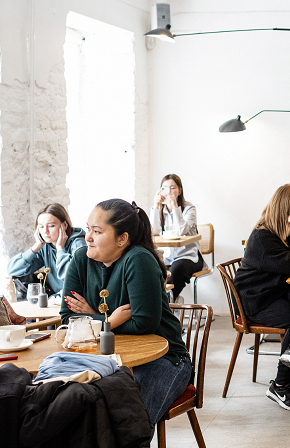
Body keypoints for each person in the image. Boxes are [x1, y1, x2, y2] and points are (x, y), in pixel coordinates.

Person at [60, 199, 192, 437]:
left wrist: (93, 318)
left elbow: (144, 323)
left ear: (122, 239)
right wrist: (110, 319)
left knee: (129, 423)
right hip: (105, 358)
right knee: (72, 409)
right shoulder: (81, 259)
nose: (87, 237)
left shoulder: (138, 259)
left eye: (97, 231)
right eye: (87, 228)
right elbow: (69, 319)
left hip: (161, 358)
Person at [234, 184, 290, 411]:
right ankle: (280, 385)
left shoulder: (287, 231)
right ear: (283, 209)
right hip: (256, 299)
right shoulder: (263, 237)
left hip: (277, 290)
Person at [8, 203, 86, 298]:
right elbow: (12, 270)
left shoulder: (78, 243)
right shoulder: (46, 246)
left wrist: (60, 249)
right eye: (41, 226)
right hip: (57, 300)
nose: (45, 231)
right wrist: (35, 247)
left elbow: (73, 277)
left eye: (51, 226)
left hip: (77, 300)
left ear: (64, 225)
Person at [150, 174, 206, 302]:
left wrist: (174, 206)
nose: (169, 191)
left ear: (180, 191)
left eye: (172, 188)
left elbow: (181, 231)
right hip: (167, 257)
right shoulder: (160, 209)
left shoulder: (189, 208)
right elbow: (153, 232)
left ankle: (171, 301)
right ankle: (171, 302)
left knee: (177, 269)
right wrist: (156, 206)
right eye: (164, 188)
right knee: (152, 269)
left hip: (189, 256)